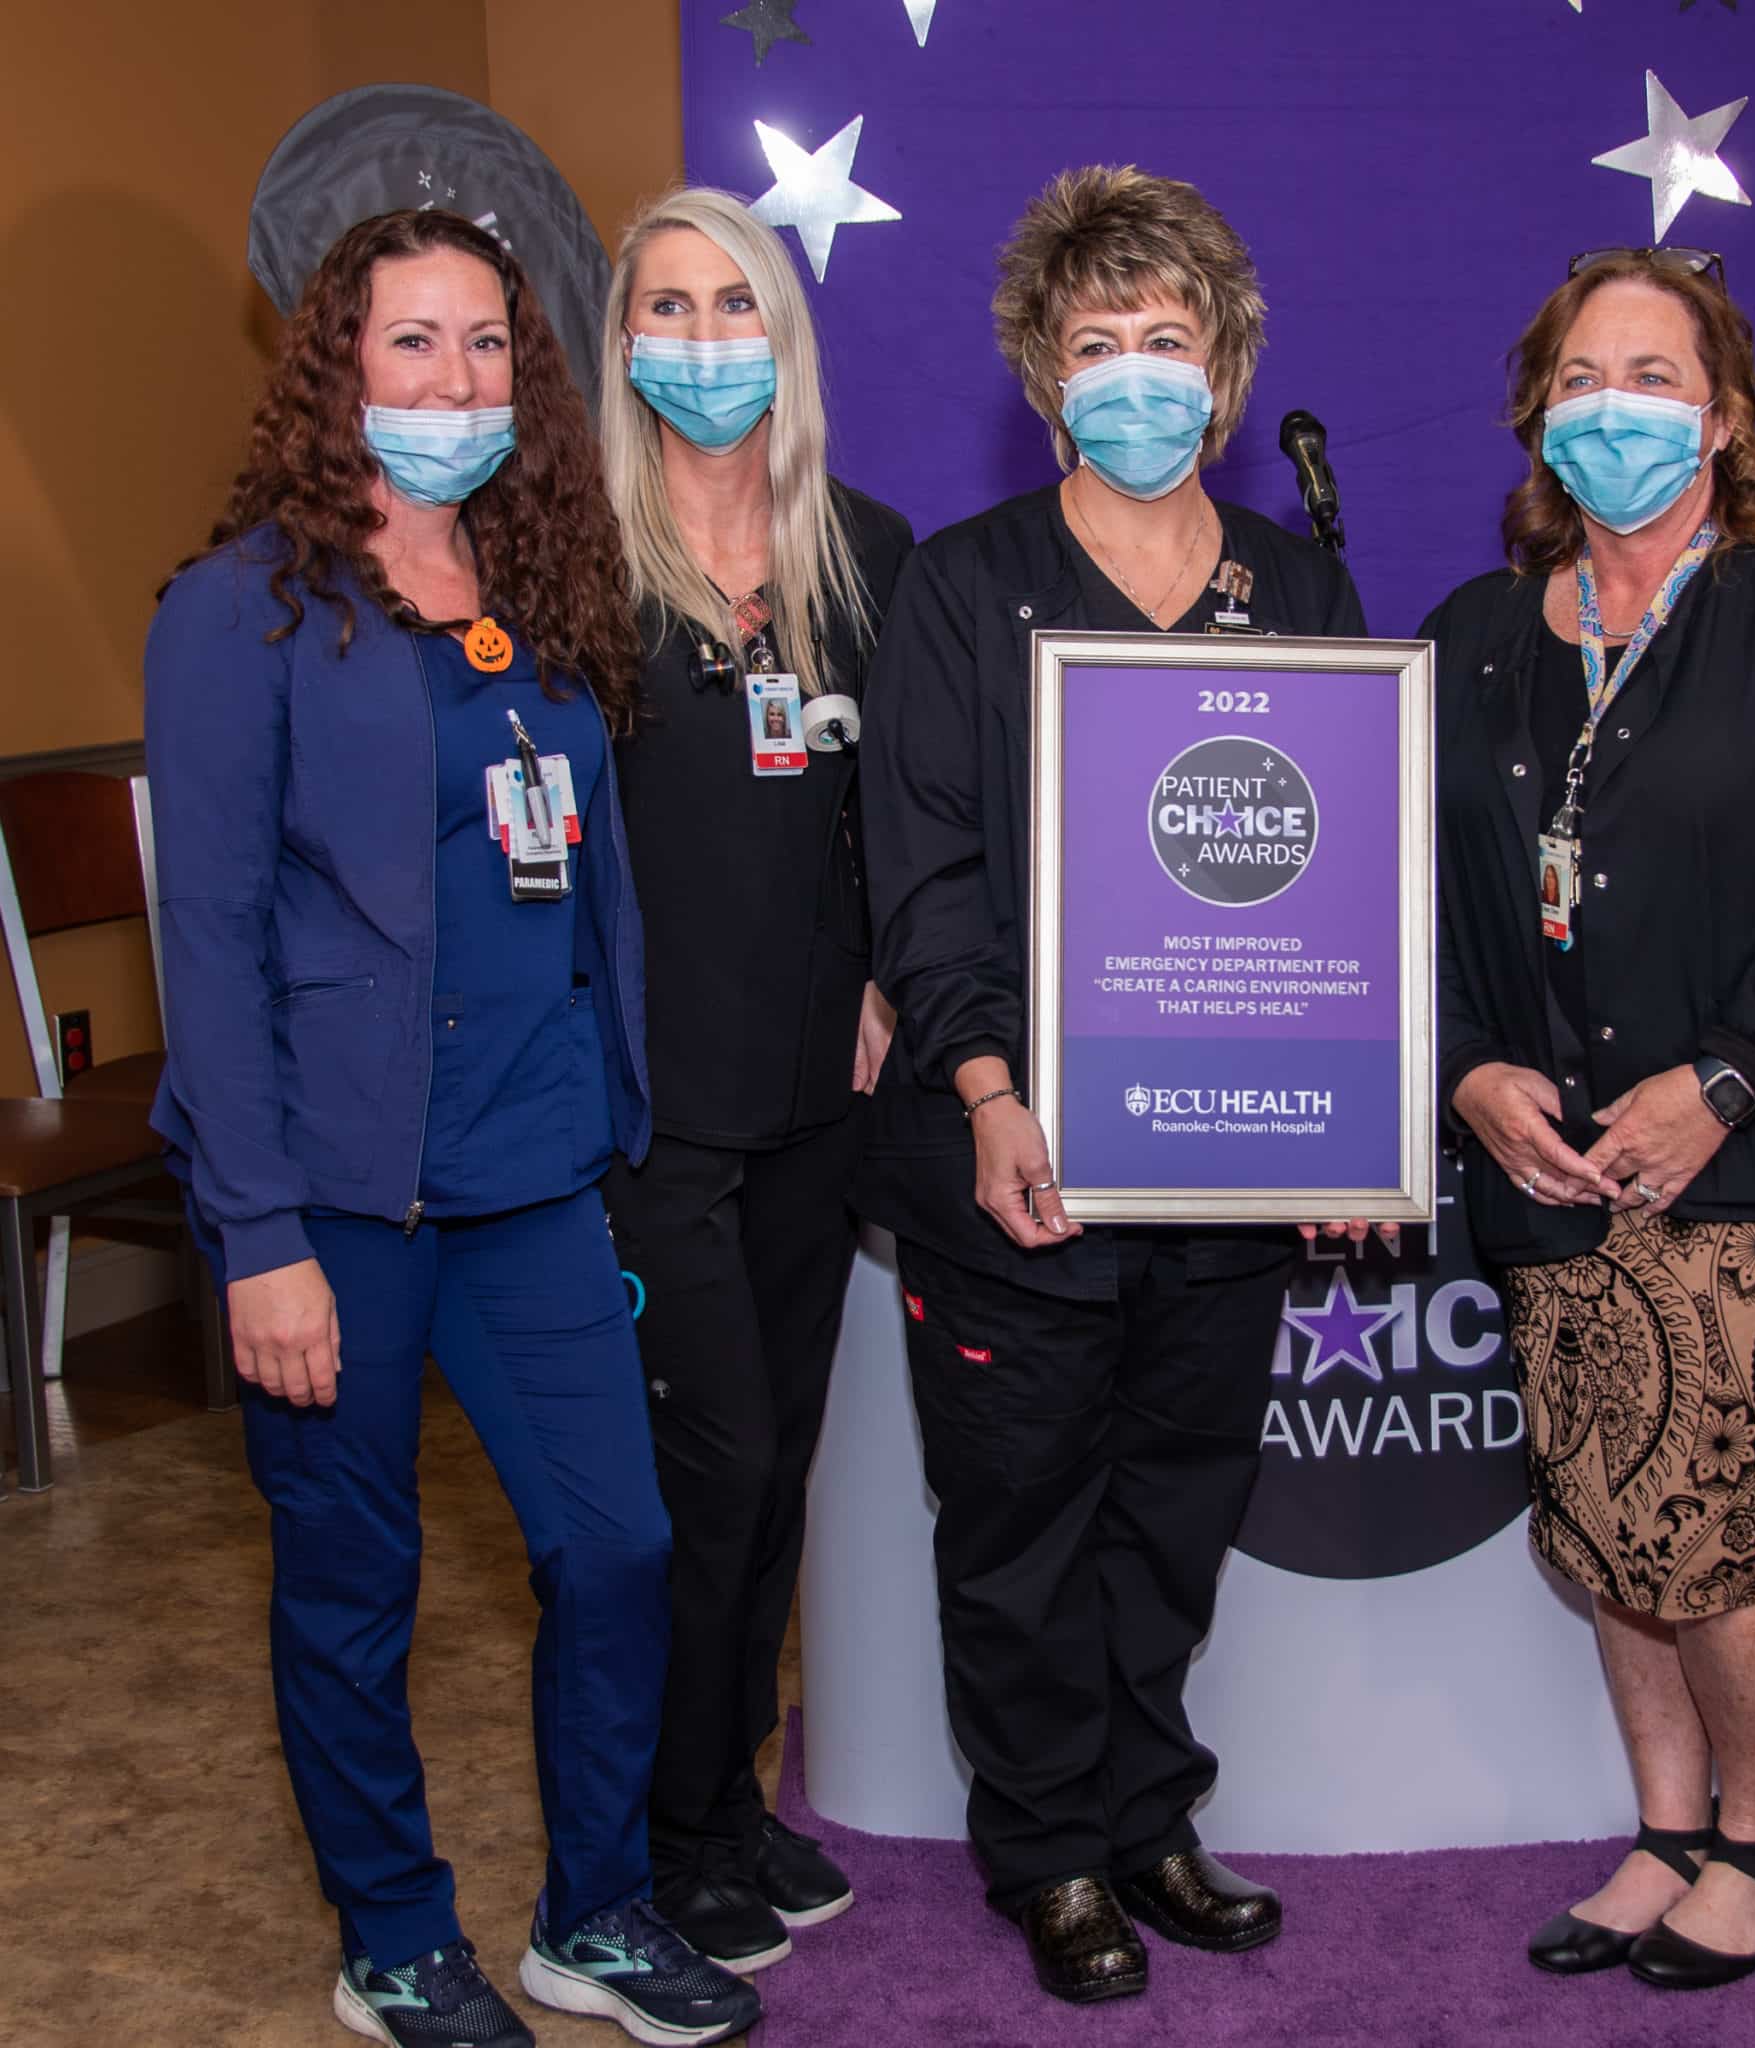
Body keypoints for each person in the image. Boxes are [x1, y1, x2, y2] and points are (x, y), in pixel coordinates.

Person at [146, 210, 761, 2048]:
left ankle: (598, 1912)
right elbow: (215, 934)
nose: (453, 383)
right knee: (356, 1578)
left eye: (487, 345)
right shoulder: (240, 607)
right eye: (411, 345)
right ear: (338, 370)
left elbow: (584, 887)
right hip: (333, 1197)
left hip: (536, 1171)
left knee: (619, 1545)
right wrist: (256, 1233)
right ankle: (396, 1933)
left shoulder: (541, 582)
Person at [860, 164, 1369, 2005]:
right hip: (1027, 1166)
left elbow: (1341, 880)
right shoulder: (962, 587)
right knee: (1018, 1525)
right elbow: (923, 871)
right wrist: (989, 1088)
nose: (1137, 372)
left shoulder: (1296, 584)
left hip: (1228, 1177)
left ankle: (1151, 1811)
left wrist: (1343, 1113)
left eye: (1170, 340)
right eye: (1100, 344)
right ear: (1042, 372)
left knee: (1173, 1508)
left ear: (1224, 376)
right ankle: (1052, 1851)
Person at [1431, 247, 1755, 1992]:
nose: (1614, 409)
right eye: (1583, 377)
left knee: (1701, 1525)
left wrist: (1726, 1078)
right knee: (1601, 1522)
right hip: (1540, 1160)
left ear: (1725, 421)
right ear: (1537, 415)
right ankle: (1663, 1833)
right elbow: (1411, 905)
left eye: (1656, 377)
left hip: (1734, 1158)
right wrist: (1466, 1071)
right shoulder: (1480, 636)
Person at [595, 186, 914, 1973]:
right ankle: (667, 1824)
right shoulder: (569, 563)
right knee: (704, 1474)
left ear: (785, 337)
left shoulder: (862, 555)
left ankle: (729, 1799)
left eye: (737, 305)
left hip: (819, 1104)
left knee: (776, 1463)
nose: (705, 341)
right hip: (653, 1120)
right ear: (622, 339)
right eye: (669, 307)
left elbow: (906, 818)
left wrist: (884, 972)